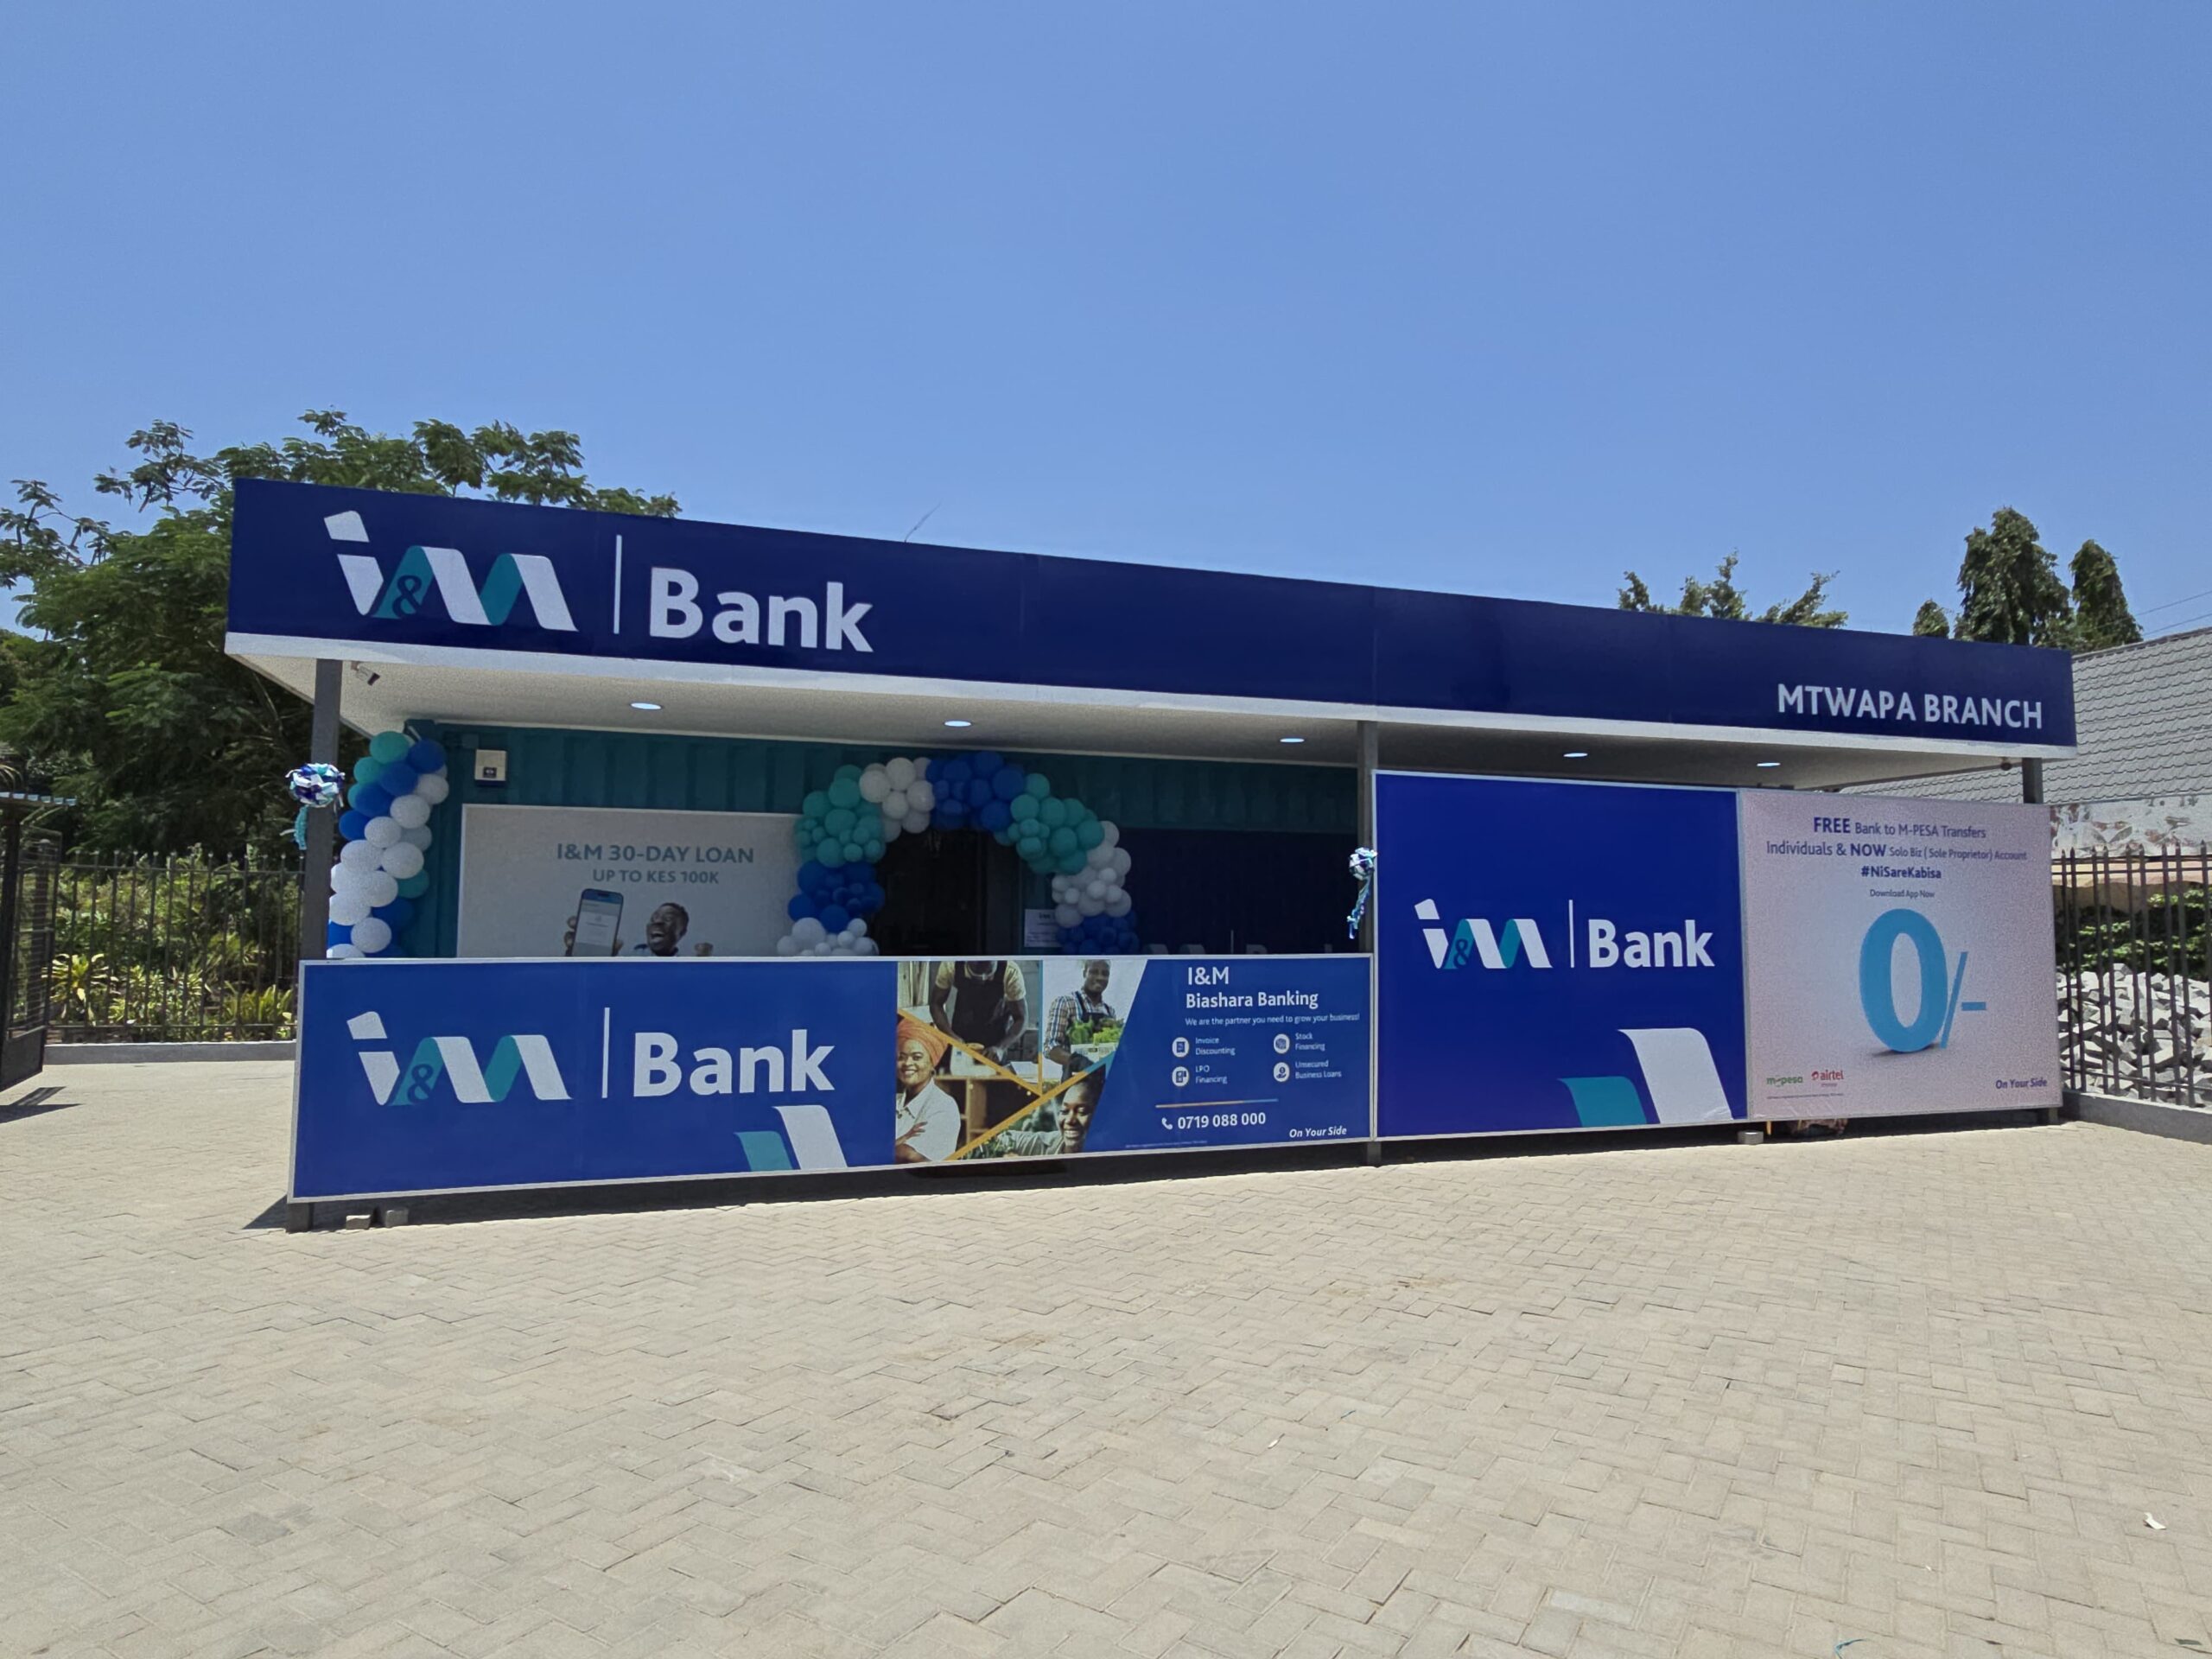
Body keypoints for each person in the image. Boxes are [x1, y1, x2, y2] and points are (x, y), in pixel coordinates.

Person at [928, 960, 1029, 1063]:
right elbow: (936, 1004)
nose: (982, 979)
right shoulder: (951, 965)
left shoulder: (1010, 972)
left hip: (995, 1041)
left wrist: (1001, 1048)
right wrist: (952, 1037)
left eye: (987, 973)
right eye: (976, 973)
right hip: (961, 1036)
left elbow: (1022, 1018)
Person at [893, 1014, 960, 1163]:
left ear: (932, 1064)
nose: (907, 1063)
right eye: (901, 1057)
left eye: (917, 1057)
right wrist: (898, 1142)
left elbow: (909, 1155)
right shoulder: (892, 1102)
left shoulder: (944, 1106)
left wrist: (881, 1148)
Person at [1043, 959, 1118, 1077]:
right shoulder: (1066, 1003)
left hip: (1103, 1079)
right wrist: (1077, 1062)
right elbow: (1050, 1047)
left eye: (1105, 974)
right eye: (1094, 972)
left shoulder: (1110, 1011)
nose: (1100, 977)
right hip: (1075, 1080)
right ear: (1084, 973)